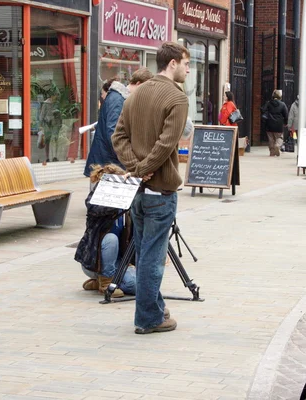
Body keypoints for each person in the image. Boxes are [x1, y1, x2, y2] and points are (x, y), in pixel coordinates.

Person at [112, 41, 190, 335]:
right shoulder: (177, 98)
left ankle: (154, 307)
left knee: (145, 253)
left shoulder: (137, 92)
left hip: (138, 192)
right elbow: (166, 144)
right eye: (186, 63)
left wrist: (134, 167)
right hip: (158, 192)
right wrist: (143, 169)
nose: (187, 69)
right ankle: (149, 318)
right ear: (172, 63)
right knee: (152, 259)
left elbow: (118, 137)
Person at [74, 164, 136, 298]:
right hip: (95, 262)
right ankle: (106, 283)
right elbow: (95, 207)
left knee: (134, 285)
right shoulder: (97, 203)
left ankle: (99, 282)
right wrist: (110, 187)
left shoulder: (125, 208)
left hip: (117, 261)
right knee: (111, 238)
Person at [84, 68, 154, 178]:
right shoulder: (118, 100)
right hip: (108, 162)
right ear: (139, 84)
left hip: (108, 160)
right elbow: (113, 133)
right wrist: (127, 159)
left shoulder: (119, 99)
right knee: (102, 193)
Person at [261, 89, 288, 157]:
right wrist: (285, 122)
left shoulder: (268, 103)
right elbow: (286, 114)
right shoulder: (282, 104)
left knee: (271, 139)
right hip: (278, 124)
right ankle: (277, 145)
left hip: (269, 123)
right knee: (279, 137)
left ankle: (272, 153)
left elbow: (263, 109)